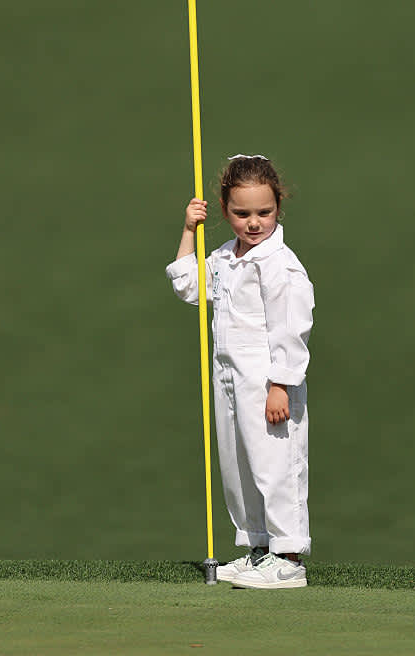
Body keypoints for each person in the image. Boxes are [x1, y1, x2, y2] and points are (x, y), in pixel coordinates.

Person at [166, 154, 314, 590]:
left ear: (278, 209)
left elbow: (292, 329)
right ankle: (258, 548)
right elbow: (189, 287)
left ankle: (287, 557)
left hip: (267, 379)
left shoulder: (280, 265)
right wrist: (188, 231)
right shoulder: (227, 257)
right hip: (228, 375)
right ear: (225, 210)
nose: (254, 223)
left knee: (274, 463)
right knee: (238, 465)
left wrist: (281, 385)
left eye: (264, 212)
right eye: (242, 213)